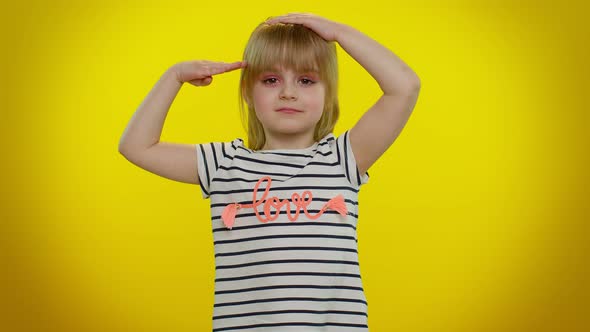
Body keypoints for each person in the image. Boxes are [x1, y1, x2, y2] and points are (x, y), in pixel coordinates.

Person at [119, 12, 420, 332]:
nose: (288, 92)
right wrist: (174, 76)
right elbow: (137, 146)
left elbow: (405, 86)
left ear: (328, 93)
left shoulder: (343, 159)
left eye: (306, 80)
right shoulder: (225, 164)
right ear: (248, 92)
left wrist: (338, 34)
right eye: (271, 80)